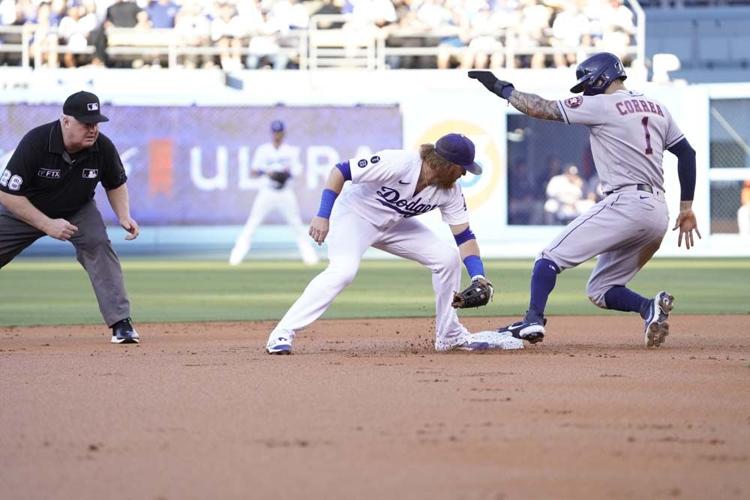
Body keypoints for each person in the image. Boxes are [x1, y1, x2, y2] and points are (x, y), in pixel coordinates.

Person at [468, 52, 701, 348]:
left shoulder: (602, 104)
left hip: (626, 202)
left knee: (547, 259)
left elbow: (542, 108)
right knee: (601, 289)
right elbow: (687, 154)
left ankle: (532, 319)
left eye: (587, 84)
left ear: (602, 78)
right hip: (658, 213)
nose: (586, 91)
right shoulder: (657, 107)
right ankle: (648, 308)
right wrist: (687, 207)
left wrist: (503, 89)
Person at [265, 133, 523, 354]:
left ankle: (449, 336)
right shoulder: (400, 162)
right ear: (446, 164)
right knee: (342, 272)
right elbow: (341, 171)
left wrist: (479, 276)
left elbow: (464, 236)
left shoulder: (450, 191)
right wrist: (323, 214)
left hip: (393, 224)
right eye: (462, 167)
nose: (465, 172)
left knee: (446, 259)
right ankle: (282, 333)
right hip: (355, 217)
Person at [0, 91, 140, 344]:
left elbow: (115, 183)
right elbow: (7, 194)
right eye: (86, 123)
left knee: (98, 245)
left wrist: (123, 215)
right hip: (25, 209)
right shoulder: (37, 142)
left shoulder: (102, 147)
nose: (93, 129)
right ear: (66, 121)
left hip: (77, 209)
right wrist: (46, 224)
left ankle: (121, 322)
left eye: (96, 123)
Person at [229, 120, 319, 266]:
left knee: (296, 224)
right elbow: (253, 171)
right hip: (267, 192)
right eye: (275, 132)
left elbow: (297, 171)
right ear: (272, 133)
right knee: (253, 223)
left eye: (280, 132)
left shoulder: (290, 151)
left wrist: (284, 174)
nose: (277, 135)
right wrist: (267, 172)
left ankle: (310, 258)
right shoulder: (263, 150)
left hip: (285, 191)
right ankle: (235, 257)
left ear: (284, 133)